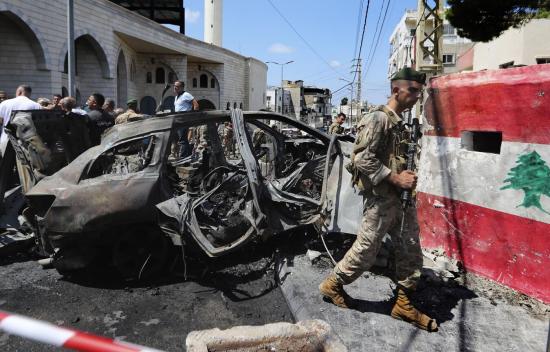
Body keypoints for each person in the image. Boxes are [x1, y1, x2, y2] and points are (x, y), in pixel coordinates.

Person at [318, 67, 438, 332]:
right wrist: (396, 179)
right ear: (397, 90)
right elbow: (361, 159)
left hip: (401, 201)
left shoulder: (399, 122)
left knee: (410, 250)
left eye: (420, 91)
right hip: (381, 200)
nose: (418, 96)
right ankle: (333, 284)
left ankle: (403, 304)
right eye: (414, 90)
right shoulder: (378, 119)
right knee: (366, 250)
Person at [0, 85, 41, 154]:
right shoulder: (36, 105)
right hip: (27, 143)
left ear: (19, 92)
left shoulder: (4, 103)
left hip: (6, 139)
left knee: (6, 164)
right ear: (29, 93)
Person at [173, 80, 199, 157]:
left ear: (182, 87)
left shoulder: (186, 95)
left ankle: (183, 157)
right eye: (174, 86)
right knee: (182, 139)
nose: (175, 88)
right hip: (178, 119)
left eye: (177, 86)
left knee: (182, 139)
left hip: (184, 119)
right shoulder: (176, 97)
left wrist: (193, 117)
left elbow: (196, 105)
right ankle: (187, 156)